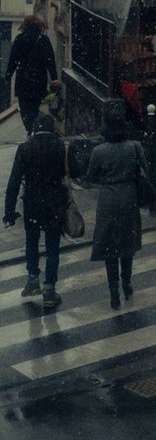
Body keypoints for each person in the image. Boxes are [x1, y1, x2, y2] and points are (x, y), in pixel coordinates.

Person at [83, 98, 148, 310]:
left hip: (108, 200)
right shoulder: (135, 147)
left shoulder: (98, 151)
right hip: (129, 197)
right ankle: (127, 283)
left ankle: (113, 292)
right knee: (127, 245)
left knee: (110, 247)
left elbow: (90, 177)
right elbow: (144, 171)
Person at [2, 113, 67, 311]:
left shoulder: (25, 149)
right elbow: (75, 171)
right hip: (55, 202)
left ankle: (32, 281)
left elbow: (13, 181)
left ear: (34, 129)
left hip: (32, 203)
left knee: (31, 242)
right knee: (52, 247)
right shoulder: (60, 147)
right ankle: (49, 288)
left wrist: (9, 211)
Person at [3, 14, 59, 134]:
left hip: (23, 81)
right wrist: (54, 79)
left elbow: (12, 60)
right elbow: (50, 61)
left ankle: (30, 129)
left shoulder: (19, 39)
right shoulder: (44, 40)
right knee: (35, 106)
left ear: (25, 26)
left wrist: (7, 77)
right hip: (39, 81)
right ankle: (34, 128)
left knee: (25, 109)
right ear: (39, 26)